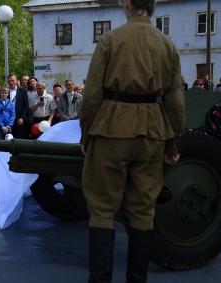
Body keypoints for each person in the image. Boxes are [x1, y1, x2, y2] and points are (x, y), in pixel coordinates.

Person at [79, 0, 185, 282]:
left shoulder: (110, 40)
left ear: (126, 4)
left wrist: (86, 132)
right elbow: (175, 100)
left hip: (111, 127)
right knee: (143, 211)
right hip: (152, 131)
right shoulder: (167, 45)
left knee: (102, 209)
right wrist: (173, 142)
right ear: (152, 6)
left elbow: (91, 94)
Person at [7, 74, 29, 139]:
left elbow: (26, 106)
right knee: (9, 138)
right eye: (9, 81)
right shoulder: (5, 91)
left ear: (16, 81)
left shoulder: (23, 91)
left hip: (19, 120)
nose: (11, 82)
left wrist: (22, 117)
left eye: (12, 80)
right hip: (8, 120)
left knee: (20, 139)